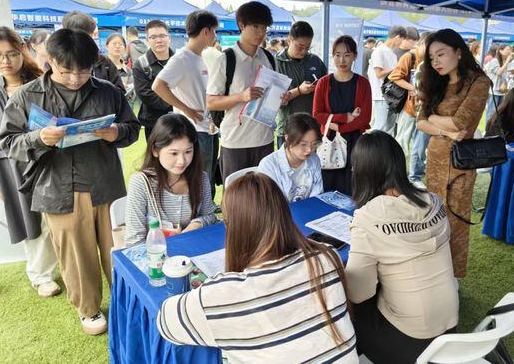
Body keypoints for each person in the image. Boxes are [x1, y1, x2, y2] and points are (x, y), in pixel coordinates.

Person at [0, 28, 140, 335]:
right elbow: (8, 142)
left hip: (105, 183)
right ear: (49, 61)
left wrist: (116, 133)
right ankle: (88, 309)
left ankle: (127, 302)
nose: (76, 78)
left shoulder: (107, 91)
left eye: (84, 71)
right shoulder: (27, 95)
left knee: (119, 250)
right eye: (66, 71)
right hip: (59, 187)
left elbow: (132, 127)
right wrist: (39, 138)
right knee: (76, 255)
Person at [157, 173, 358, 363]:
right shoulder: (327, 257)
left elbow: (165, 323)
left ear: (232, 228)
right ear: (284, 213)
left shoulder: (225, 293)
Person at [345, 131, 458, 364]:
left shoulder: (368, 218)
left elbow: (358, 292)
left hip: (411, 343)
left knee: (355, 305)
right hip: (450, 327)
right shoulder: (433, 200)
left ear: (363, 171)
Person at [416, 29, 491, 278]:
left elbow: (461, 122)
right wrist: (443, 129)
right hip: (435, 160)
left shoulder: (478, 82)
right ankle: (434, 271)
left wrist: (433, 119)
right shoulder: (435, 83)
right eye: (431, 57)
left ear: (458, 52)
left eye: (441, 54)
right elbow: (419, 122)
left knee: (455, 221)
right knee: (434, 216)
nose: (436, 62)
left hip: (460, 163)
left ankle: (452, 277)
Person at [0, 27, 60, 298]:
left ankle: (64, 266)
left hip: (48, 159)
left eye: (11, 53)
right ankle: (40, 275)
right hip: (10, 166)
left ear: (22, 51)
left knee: (56, 218)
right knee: (30, 222)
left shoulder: (43, 83)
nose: (5, 60)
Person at [206, 1, 277, 183]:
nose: (261, 32)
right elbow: (211, 102)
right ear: (241, 25)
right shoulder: (226, 60)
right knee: (235, 194)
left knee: (263, 193)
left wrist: (280, 97)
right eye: (255, 26)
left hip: (264, 139)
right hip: (235, 141)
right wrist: (241, 96)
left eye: (264, 27)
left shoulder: (269, 58)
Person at [152, 10, 220, 196]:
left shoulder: (202, 56)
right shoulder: (181, 58)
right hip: (193, 129)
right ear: (205, 31)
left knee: (208, 176)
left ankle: (207, 207)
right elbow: (158, 86)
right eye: (214, 31)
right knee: (197, 177)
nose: (215, 36)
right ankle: (196, 210)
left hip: (209, 127)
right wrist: (186, 109)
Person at [125, 113, 218, 246]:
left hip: (192, 251)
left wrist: (196, 224)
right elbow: (134, 240)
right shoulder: (141, 183)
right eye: (174, 153)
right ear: (155, 151)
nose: (182, 161)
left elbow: (210, 215)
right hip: (155, 255)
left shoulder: (200, 178)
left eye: (188, 152)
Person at [313, 35, 371, 195]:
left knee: (352, 187)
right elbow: (317, 114)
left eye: (347, 55)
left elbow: (365, 118)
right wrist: (345, 118)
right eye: (337, 55)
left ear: (355, 56)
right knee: (327, 187)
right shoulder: (323, 82)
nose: (342, 60)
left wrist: (338, 127)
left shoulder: (362, 83)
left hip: (354, 142)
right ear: (333, 56)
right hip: (329, 141)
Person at [274, 21, 328, 148]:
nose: (304, 51)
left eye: (308, 47)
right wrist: (299, 90)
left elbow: (326, 90)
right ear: (289, 40)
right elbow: (274, 100)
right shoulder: (276, 63)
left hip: (312, 129)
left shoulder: (315, 61)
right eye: (300, 46)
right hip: (288, 129)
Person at [258, 113, 323, 202]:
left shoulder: (314, 159)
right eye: (303, 144)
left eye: (314, 144)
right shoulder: (269, 165)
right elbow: (271, 204)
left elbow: (317, 198)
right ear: (288, 139)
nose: (309, 150)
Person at [62, 10, 125, 93]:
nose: (79, 39)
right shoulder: (57, 62)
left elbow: (120, 92)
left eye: (85, 35)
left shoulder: (104, 62)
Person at [133, 19, 174, 140]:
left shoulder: (180, 60)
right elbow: (145, 94)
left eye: (162, 36)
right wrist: (175, 103)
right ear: (147, 40)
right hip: (154, 122)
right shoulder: (141, 64)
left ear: (169, 38)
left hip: (181, 118)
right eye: (153, 37)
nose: (158, 40)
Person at [388, 32, 428, 156]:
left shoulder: (431, 59)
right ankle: (397, 165)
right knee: (402, 142)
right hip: (409, 107)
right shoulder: (409, 57)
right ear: (422, 43)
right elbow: (394, 76)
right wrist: (413, 88)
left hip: (424, 109)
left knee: (420, 147)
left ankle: (415, 167)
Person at [368, 25, 406, 134]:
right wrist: (395, 69)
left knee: (389, 127)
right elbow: (378, 73)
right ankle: (371, 144)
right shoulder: (379, 51)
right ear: (398, 37)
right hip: (381, 95)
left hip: (392, 95)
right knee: (380, 126)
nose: (401, 43)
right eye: (402, 40)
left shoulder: (392, 53)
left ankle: (383, 145)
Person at [485, 43, 511, 123]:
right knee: (491, 112)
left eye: (510, 49)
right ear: (500, 51)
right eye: (507, 49)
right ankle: (488, 128)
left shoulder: (504, 61)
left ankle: (494, 128)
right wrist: (507, 62)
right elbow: (499, 72)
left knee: (498, 112)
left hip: (501, 90)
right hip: (494, 90)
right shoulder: (495, 61)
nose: (509, 51)